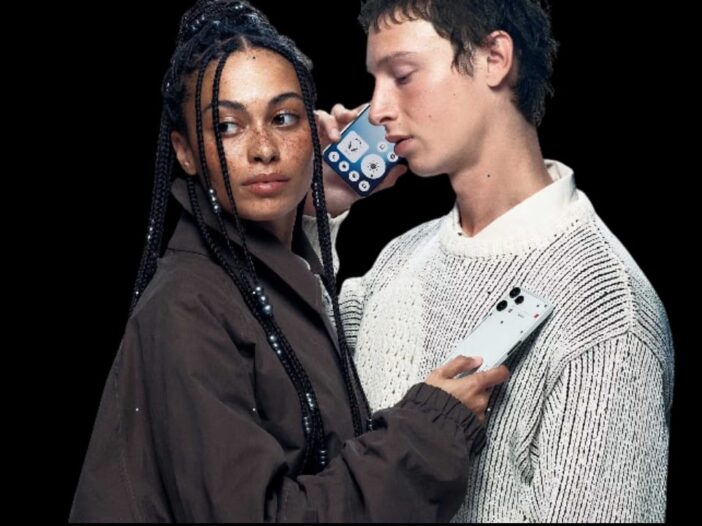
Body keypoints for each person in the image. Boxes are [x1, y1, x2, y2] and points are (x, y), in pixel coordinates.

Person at [68, 0, 511, 522]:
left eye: (283, 119)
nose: (264, 149)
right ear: (185, 152)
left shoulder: (262, 274)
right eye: (227, 126)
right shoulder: (187, 307)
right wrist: (431, 430)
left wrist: (319, 197)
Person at [314, 0, 674, 522]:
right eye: (376, 81)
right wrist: (318, 205)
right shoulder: (395, 262)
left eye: (403, 75)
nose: (378, 110)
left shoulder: (608, 315)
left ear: (494, 58)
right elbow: (280, 393)